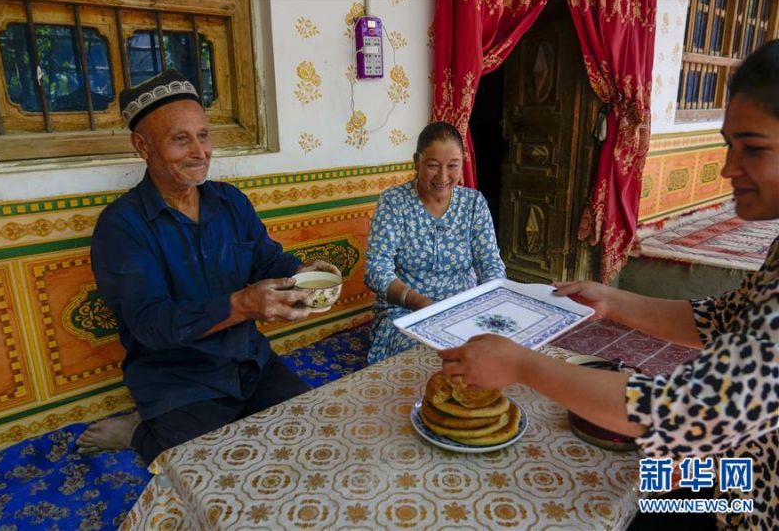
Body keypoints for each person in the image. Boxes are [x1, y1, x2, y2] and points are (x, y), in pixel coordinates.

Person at [438, 39, 779, 529]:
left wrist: (520, 364)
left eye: (754, 148)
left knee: (599, 505)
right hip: (736, 470)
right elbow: (721, 319)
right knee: (630, 492)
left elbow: (685, 409)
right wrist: (613, 302)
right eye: (729, 145)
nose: (728, 168)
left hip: (753, 506)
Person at [76, 69, 339, 465]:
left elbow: (268, 260)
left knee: (313, 439)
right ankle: (139, 433)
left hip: (249, 362)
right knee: (213, 470)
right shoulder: (121, 226)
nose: (200, 151)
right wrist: (242, 305)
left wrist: (303, 271)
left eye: (203, 135)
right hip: (178, 380)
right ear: (142, 146)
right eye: (180, 139)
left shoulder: (230, 201)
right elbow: (150, 325)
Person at [364, 121, 506, 364]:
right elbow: (376, 269)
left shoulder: (473, 203)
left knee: (496, 351)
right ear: (416, 161)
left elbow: (490, 264)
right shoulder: (394, 202)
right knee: (431, 358)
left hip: (462, 310)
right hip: (406, 312)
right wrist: (417, 302)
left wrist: (490, 307)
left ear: (462, 162)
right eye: (432, 165)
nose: (442, 177)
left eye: (453, 165)